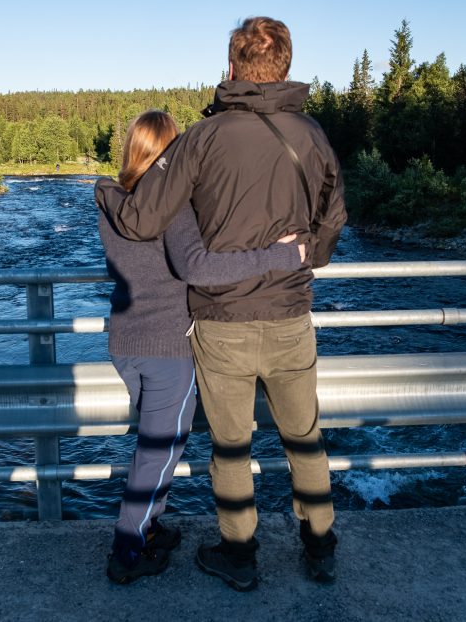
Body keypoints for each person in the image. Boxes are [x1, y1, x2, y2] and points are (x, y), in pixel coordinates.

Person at [96, 17, 348, 591]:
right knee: (304, 437)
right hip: (290, 314)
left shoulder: (202, 140)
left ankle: (240, 557)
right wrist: (306, 252)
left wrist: (111, 191)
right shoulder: (312, 135)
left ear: (231, 68)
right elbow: (333, 222)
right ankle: (320, 548)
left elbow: (141, 218)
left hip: (222, 322)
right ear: (284, 67)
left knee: (231, 448)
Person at [95, 110, 306, 584]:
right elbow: (198, 268)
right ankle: (127, 552)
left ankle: (147, 528)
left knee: (151, 446)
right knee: (160, 450)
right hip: (168, 346)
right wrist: (280, 254)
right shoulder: (173, 206)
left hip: (124, 341)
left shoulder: (112, 200)